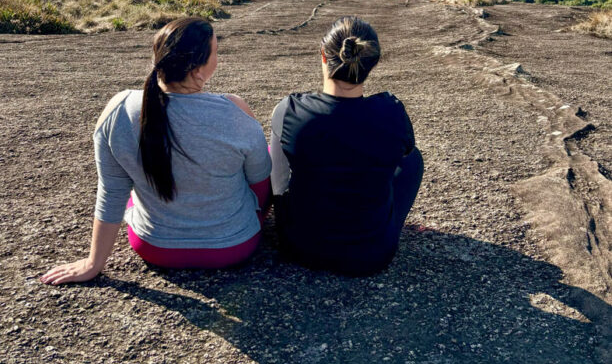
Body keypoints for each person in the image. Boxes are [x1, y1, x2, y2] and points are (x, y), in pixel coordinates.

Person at [41, 17, 271, 284]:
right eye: (216, 53)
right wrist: (257, 220)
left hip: (155, 247)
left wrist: (94, 263)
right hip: (234, 247)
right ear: (198, 70)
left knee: (132, 193)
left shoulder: (119, 109)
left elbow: (112, 191)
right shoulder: (235, 111)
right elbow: (260, 184)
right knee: (260, 153)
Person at [270, 15, 423, 276]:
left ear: (323, 55)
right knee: (413, 158)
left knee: (276, 151)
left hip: (299, 247)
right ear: (372, 63)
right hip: (373, 255)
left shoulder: (291, 110)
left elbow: (275, 174)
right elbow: (404, 158)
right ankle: (376, 220)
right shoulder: (392, 113)